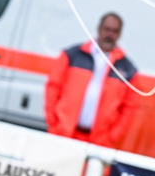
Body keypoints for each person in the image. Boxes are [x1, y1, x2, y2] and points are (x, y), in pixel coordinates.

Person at [45, 12, 139, 147]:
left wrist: (112, 136)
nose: (110, 35)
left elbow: (129, 107)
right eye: (107, 29)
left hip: (98, 142)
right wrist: (53, 122)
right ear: (99, 29)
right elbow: (53, 87)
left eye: (114, 31)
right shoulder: (72, 55)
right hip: (63, 134)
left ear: (119, 34)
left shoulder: (127, 70)